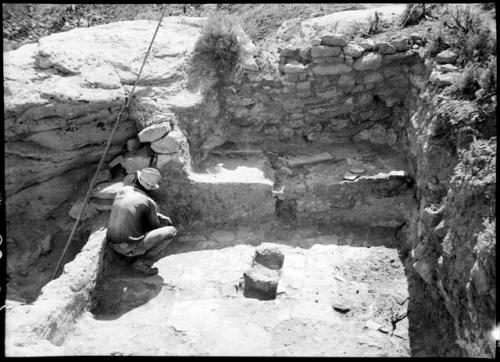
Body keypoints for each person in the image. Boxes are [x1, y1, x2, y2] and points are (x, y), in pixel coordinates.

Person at [106, 167, 177, 275]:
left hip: (111, 244)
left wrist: (158, 215)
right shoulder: (149, 202)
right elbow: (153, 227)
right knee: (171, 231)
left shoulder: (123, 190)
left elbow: (132, 208)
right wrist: (156, 217)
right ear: (151, 187)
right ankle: (143, 263)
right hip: (128, 249)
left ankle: (129, 255)